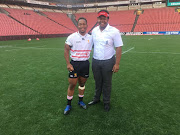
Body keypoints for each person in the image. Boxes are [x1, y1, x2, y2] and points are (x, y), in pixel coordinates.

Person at [88, 10, 123, 111]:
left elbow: (119, 48)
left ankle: (106, 102)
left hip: (108, 61)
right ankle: (96, 98)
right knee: (97, 82)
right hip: (95, 61)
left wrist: (117, 64)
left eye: (104, 18)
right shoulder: (94, 30)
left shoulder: (114, 31)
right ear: (97, 19)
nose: (102, 20)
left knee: (107, 83)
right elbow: (90, 44)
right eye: (100, 18)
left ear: (108, 19)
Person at [64, 17, 93, 115]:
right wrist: (68, 63)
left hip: (85, 64)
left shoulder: (91, 37)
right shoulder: (72, 37)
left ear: (87, 25)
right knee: (72, 84)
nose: (82, 26)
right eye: (80, 24)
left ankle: (80, 101)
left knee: (82, 84)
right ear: (77, 26)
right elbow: (66, 50)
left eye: (84, 24)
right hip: (74, 64)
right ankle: (68, 104)